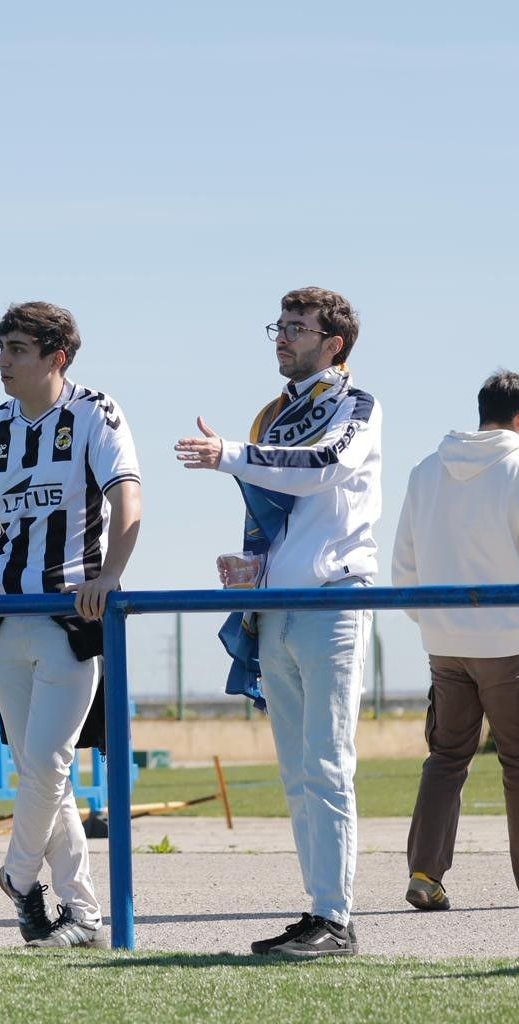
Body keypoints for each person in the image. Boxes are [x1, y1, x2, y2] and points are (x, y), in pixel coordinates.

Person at [0, 302, 141, 950]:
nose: (2, 361)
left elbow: (130, 502)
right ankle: (83, 915)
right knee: (40, 771)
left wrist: (110, 577)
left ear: (55, 357)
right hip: (4, 621)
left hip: (70, 619)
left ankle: (17, 875)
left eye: (16, 348)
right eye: (2, 346)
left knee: (47, 761)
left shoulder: (95, 413)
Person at [174, 286, 378, 958]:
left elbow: (322, 469)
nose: (282, 337)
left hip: (333, 602)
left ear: (334, 343)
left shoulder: (355, 404)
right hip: (279, 607)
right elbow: (271, 510)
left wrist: (230, 454)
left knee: (327, 763)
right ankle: (318, 908)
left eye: (296, 327)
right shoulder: (273, 413)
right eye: (279, 326)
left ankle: (338, 920)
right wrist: (253, 567)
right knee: (296, 769)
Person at [392, 370, 519, 910]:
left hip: (445, 646)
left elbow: (404, 567)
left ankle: (425, 874)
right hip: (513, 644)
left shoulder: (425, 471)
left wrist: (436, 624)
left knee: (445, 759)